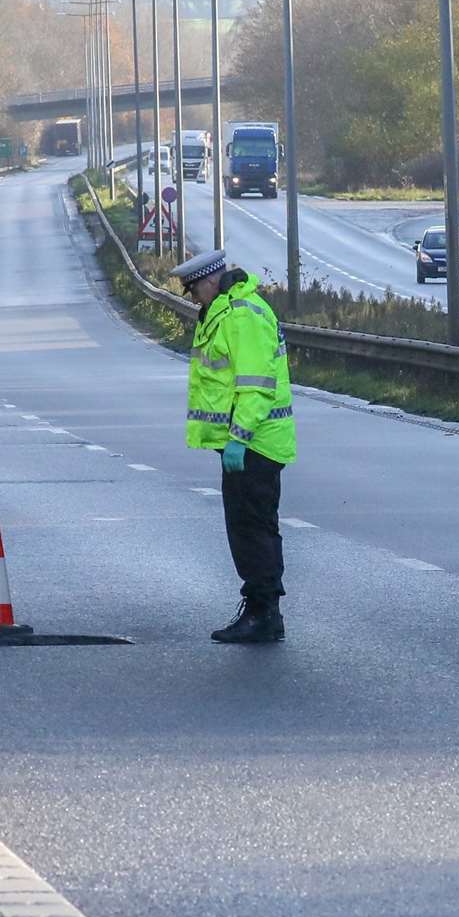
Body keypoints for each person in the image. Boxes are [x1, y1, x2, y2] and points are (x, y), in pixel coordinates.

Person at [170, 249, 296, 643]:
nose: (193, 299)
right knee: (252, 527)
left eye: (194, 291)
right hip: (245, 442)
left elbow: (256, 387)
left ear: (210, 281)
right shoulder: (227, 310)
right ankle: (264, 611)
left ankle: (263, 614)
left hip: (254, 443)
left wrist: (239, 440)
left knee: (251, 529)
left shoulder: (242, 315)